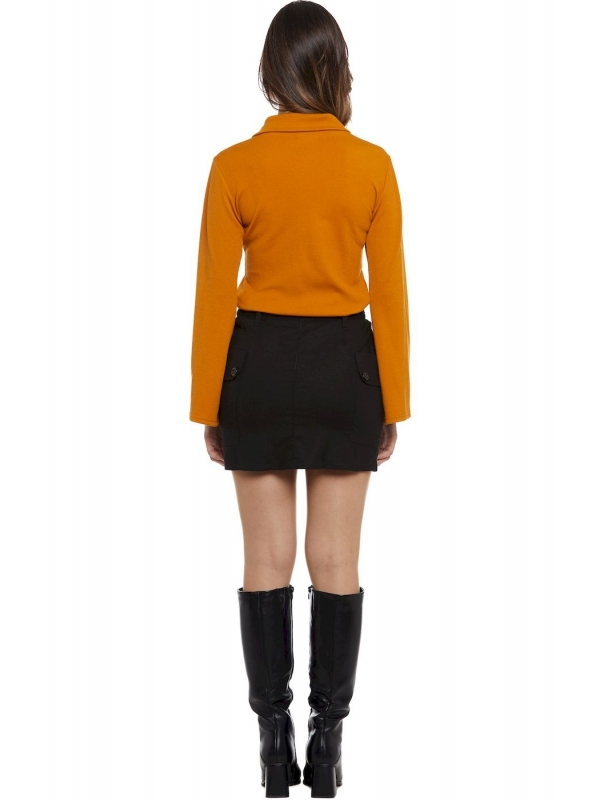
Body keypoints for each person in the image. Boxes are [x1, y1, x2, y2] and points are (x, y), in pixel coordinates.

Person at [189, 2, 410, 796]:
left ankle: (272, 744)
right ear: (338, 71)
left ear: (269, 75)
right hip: (345, 372)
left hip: (257, 371)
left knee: (264, 560)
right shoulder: (372, 165)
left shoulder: (233, 166)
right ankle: (330, 740)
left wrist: (208, 404)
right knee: (338, 561)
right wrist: (394, 402)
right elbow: (392, 295)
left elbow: (214, 297)